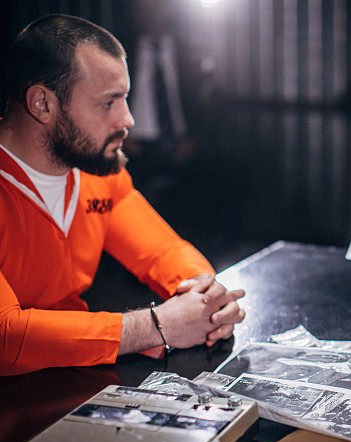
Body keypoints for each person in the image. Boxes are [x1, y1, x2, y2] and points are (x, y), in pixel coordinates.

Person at [0, 14, 245, 376]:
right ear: (42, 104)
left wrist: (207, 299)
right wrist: (153, 327)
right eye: (108, 102)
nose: (128, 119)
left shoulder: (99, 173)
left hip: (68, 380)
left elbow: (163, 253)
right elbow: (7, 337)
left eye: (125, 98)